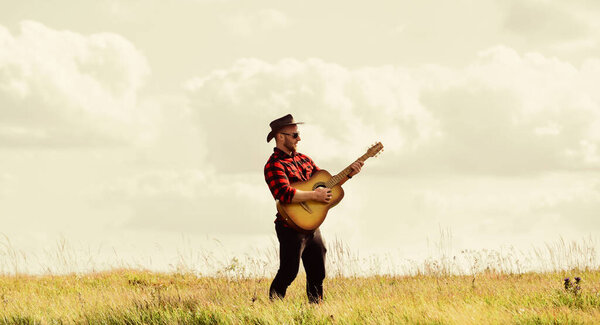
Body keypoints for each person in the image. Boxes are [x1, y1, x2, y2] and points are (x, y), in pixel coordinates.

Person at [263, 114, 363, 303]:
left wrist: (349, 174)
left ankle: (315, 311)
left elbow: (326, 184)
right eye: (295, 135)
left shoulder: (304, 160)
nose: (299, 138)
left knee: (318, 271)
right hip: (289, 227)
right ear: (281, 137)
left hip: (311, 225)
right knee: (288, 272)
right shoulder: (274, 165)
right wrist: (314, 196)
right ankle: (272, 309)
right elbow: (283, 193)